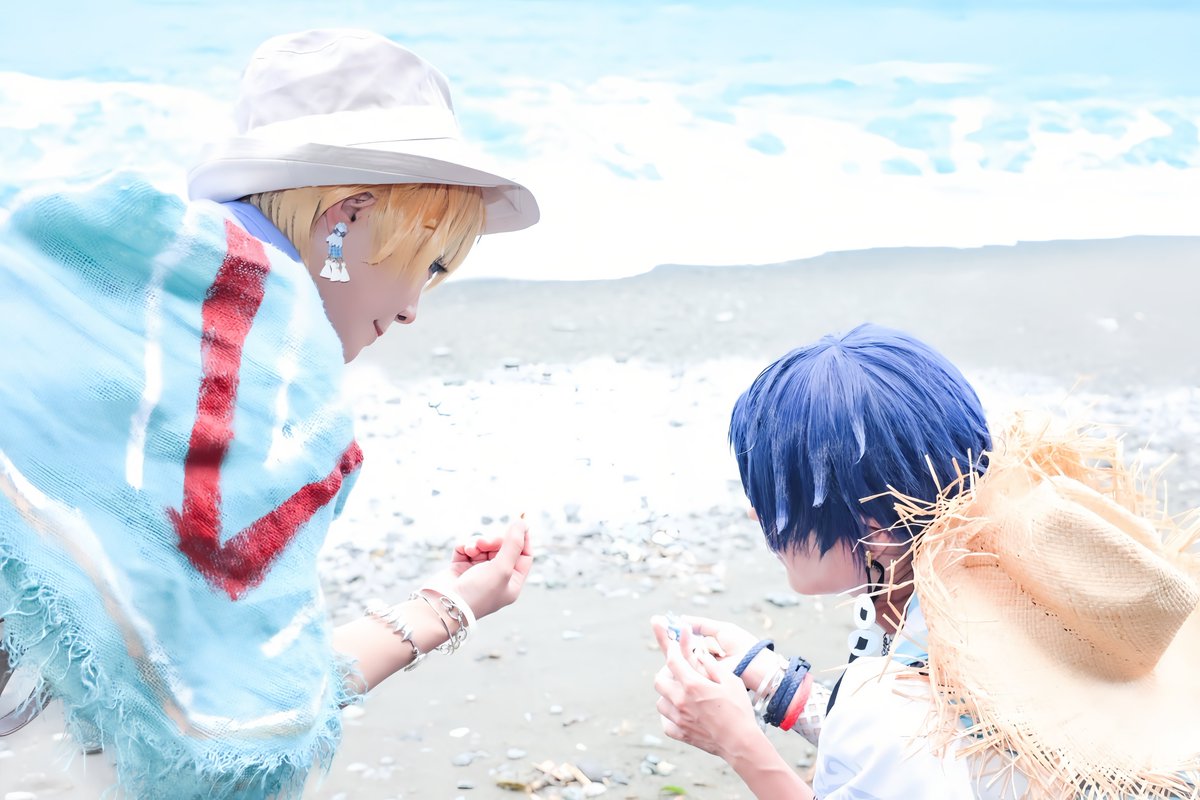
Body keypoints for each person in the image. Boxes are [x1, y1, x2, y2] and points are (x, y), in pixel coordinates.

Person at [0, 29, 538, 799]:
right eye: (428, 263)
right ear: (345, 217)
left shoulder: (83, 258)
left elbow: (173, 655)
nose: (413, 308)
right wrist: (445, 608)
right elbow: (228, 728)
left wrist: (449, 604)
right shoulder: (272, 370)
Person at [651, 323, 1200, 799]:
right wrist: (775, 684)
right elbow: (929, 761)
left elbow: (898, 737)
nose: (756, 514)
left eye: (778, 504)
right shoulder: (1017, 588)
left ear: (873, 535)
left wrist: (739, 744)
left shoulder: (891, 707)